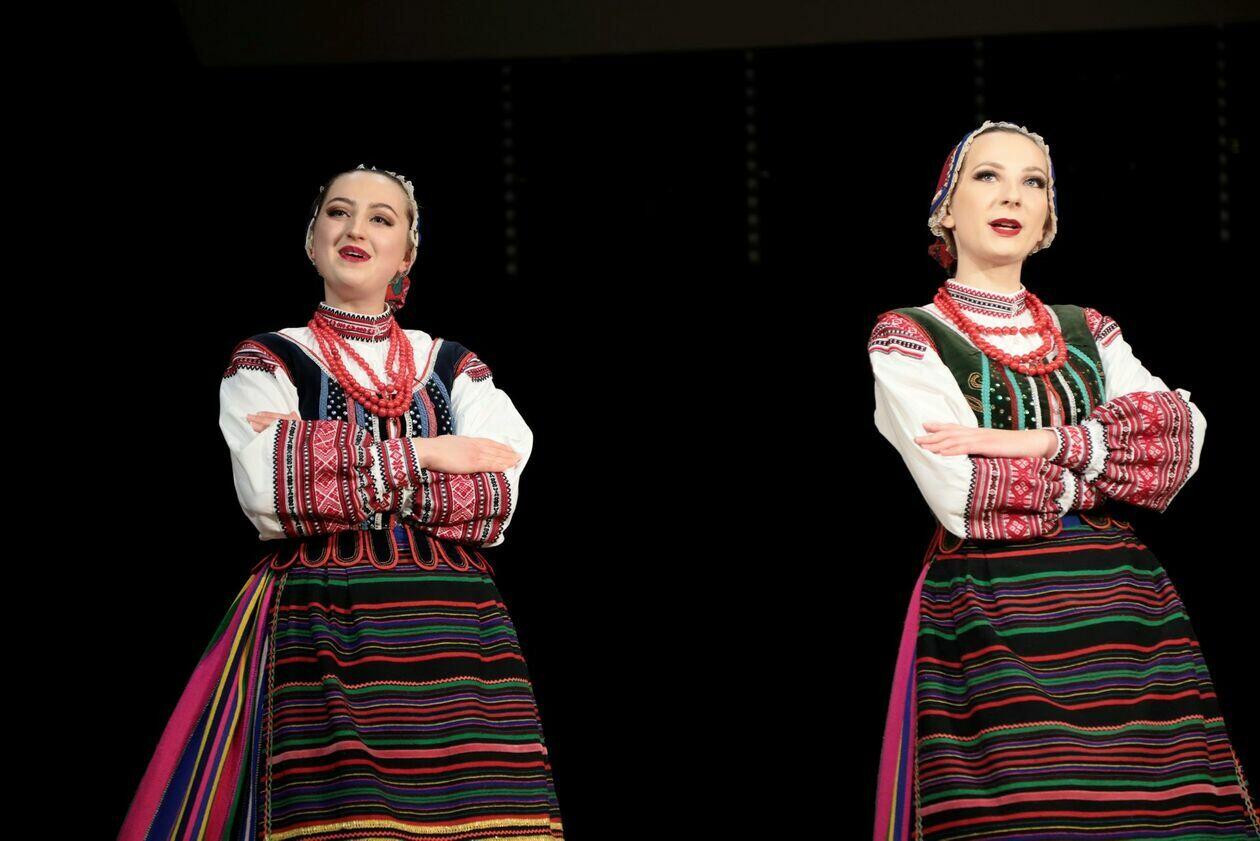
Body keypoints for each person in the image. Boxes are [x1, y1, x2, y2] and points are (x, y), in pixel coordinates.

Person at [119, 164, 564, 840]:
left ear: (406, 254)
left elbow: (495, 498)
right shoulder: (268, 358)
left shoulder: (452, 364)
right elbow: (271, 491)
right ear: (311, 238)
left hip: (459, 638)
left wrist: (325, 456)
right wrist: (428, 452)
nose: (355, 228)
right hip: (328, 630)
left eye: (381, 218)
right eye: (337, 211)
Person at [867, 121, 1258, 840]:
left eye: (1033, 181)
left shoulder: (1089, 330)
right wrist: (1104, 472)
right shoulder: (908, 336)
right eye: (987, 176)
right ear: (946, 207)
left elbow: (1180, 441)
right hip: (992, 611)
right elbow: (962, 492)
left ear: (1048, 216)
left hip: (1128, 616)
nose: (1011, 194)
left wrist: (1042, 441)